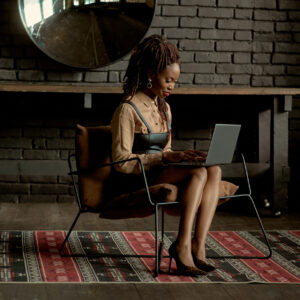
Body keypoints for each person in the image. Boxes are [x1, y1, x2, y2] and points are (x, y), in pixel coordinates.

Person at [110, 34, 221, 276]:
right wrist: (163, 158)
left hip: (161, 169)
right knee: (200, 173)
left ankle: (197, 246)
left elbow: (167, 151)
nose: (172, 86)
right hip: (136, 177)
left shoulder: (164, 108)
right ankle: (181, 245)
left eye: (175, 81)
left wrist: (179, 155)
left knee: (213, 169)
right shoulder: (126, 109)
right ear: (151, 74)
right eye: (168, 80)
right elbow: (120, 161)